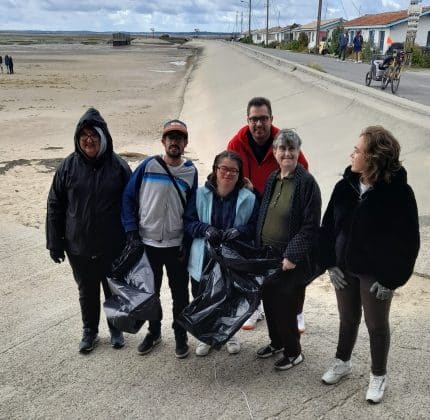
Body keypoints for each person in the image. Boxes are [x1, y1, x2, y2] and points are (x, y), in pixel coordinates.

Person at [319, 126, 420, 403]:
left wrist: (392, 280)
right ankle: (343, 361)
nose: (352, 154)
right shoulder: (344, 186)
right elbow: (328, 227)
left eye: (358, 150)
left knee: (376, 324)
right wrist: (330, 263)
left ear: (373, 157)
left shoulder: (399, 194)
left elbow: (409, 242)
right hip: (343, 266)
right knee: (347, 318)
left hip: (375, 271)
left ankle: (378, 375)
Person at [46, 107, 131, 353]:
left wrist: (133, 240)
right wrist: (55, 242)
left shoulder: (119, 167)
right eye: (83, 134)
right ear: (77, 138)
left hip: (112, 243)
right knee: (87, 290)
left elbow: (131, 206)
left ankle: (116, 327)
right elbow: (55, 205)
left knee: (113, 287)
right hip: (78, 244)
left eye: (93, 134)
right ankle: (90, 331)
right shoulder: (67, 167)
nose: (88, 139)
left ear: (103, 136)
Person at [227, 96, 309, 331]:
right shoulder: (237, 142)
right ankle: (257, 307)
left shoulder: (283, 141)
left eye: (263, 119)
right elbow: (230, 169)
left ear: (271, 119)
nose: (258, 124)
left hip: (282, 208)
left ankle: (297, 312)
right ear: (247, 120)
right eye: (254, 119)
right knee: (255, 262)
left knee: (292, 266)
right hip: (254, 211)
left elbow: (302, 169)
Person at [121, 119, 198, 359]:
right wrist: (132, 232)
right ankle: (154, 332)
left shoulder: (190, 172)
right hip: (148, 243)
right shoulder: (148, 166)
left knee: (180, 294)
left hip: (175, 246)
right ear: (163, 141)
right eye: (170, 137)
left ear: (185, 143)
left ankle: (180, 335)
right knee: (150, 293)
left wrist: (186, 242)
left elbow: (192, 210)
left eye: (179, 138)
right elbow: (128, 199)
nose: (174, 141)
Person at [255, 129, 321, 370]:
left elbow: (311, 226)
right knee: (269, 302)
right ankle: (276, 343)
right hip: (268, 255)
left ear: (298, 152)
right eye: (282, 149)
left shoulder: (306, 183)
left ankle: (293, 352)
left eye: (291, 149)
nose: (287, 153)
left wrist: (292, 255)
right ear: (274, 152)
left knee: (285, 306)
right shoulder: (273, 178)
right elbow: (265, 210)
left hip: (289, 259)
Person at [184, 150, 260, 356]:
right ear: (215, 170)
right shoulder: (200, 194)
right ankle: (205, 336)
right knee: (202, 295)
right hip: (204, 257)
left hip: (231, 257)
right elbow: (188, 222)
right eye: (223, 169)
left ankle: (229, 333)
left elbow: (254, 226)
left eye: (233, 170)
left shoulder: (249, 198)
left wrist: (239, 231)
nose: (228, 174)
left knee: (230, 295)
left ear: (239, 174)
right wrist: (205, 229)